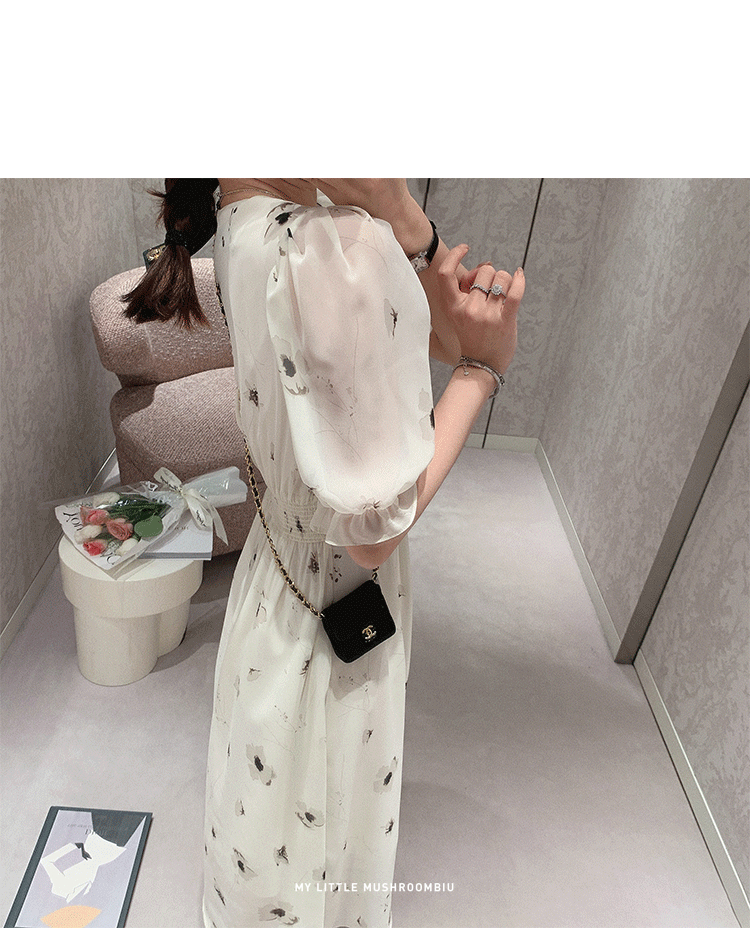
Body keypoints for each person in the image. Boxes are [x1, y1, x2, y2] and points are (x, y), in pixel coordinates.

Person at [124, 178, 524, 928]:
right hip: (334, 603)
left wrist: (413, 235)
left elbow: (426, 339)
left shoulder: (241, 213)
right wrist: (482, 373)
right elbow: (374, 535)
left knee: (270, 807)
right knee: (321, 813)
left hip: (272, 579)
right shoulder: (332, 245)